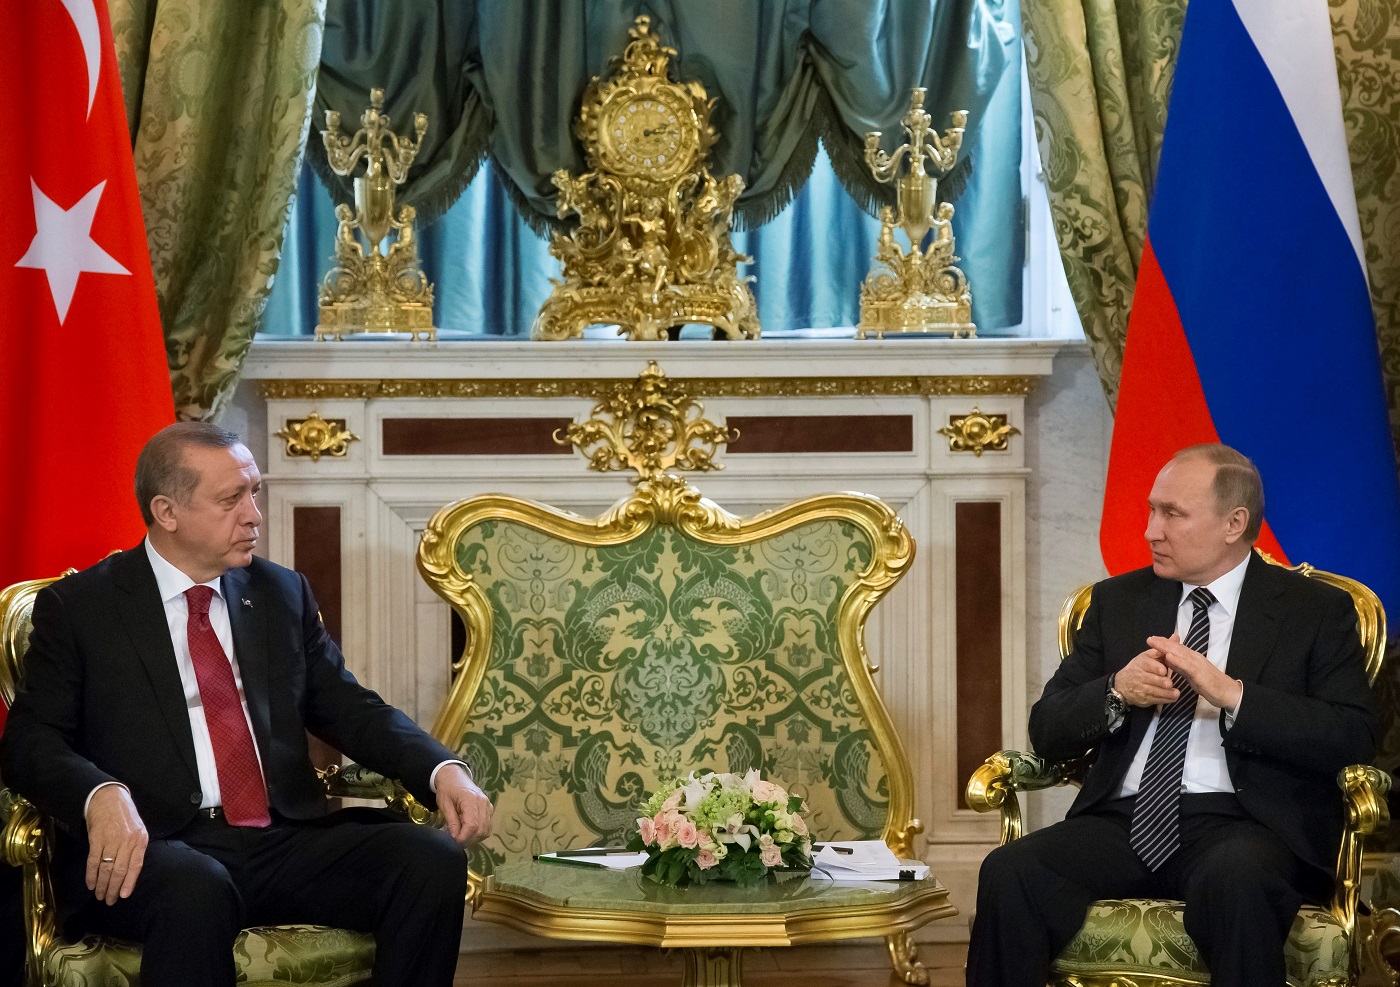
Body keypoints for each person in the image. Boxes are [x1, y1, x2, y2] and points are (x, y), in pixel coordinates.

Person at [0, 422, 493, 987]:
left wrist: (441, 768)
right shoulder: (82, 607)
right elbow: (31, 742)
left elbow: (350, 707)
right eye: (231, 499)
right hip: (159, 846)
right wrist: (100, 794)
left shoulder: (280, 592)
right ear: (167, 512)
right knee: (195, 885)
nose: (254, 515)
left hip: (279, 839)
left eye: (254, 492)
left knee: (430, 859)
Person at [967, 444, 1379, 987]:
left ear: (1234, 523)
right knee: (1010, 870)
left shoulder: (1314, 611)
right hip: (1126, 819)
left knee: (1238, 878)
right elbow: (1047, 730)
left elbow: (1352, 734)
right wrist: (1116, 691)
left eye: (1172, 514)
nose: (1150, 531)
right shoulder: (1117, 601)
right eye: (1151, 510)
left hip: (1247, 824)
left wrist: (1233, 695)